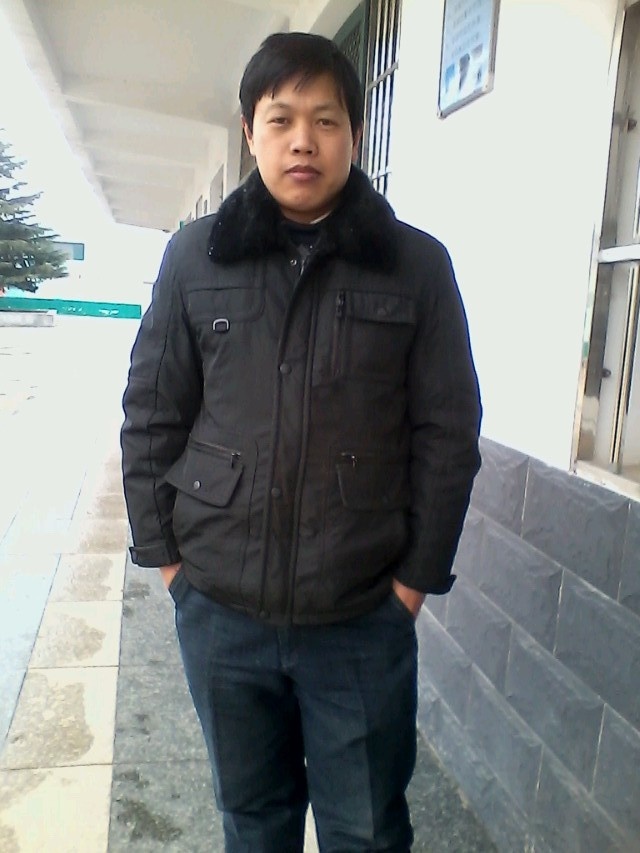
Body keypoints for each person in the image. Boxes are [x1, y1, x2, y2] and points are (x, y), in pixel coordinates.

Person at [121, 31, 481, 853]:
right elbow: (150, 414)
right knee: (253, 822)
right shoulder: (194, 257)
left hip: (359, 616)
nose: (303, 141)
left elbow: (448, 434)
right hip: (221, 613)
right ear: (250, 131)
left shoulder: (417, 266)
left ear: (355, 132)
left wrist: (411, 588)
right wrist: (171, 567)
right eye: (281, 119)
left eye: (326, 119)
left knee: (367, 829)